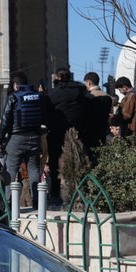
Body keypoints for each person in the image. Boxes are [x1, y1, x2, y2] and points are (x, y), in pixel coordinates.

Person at [0, 71, 46, 200]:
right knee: (34, 169)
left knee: (11, 170)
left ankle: (9, 204)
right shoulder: (38, 96)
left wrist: (0, 140)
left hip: (17, 137)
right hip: (35, 137)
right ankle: (37, 202)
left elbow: (5, 120)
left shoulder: (14, 97)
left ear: (15, 85)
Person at [46, 68, 88, 204]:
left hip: (57, 130)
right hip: (79, 130)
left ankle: (55, 193)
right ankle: (82, 192)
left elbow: (46, 110)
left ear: (58, 77)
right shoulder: (80, 91)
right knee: (80, 161)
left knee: (54, 162)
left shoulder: (54, 93)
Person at [81, 71, 113, 157]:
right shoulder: (108, 97)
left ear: (89, 82)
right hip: (103, 130)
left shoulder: (87, 97)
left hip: (89, 132)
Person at [113, 76, 136, 141]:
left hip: (131, 133)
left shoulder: (131, 97)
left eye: (120, 90)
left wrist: (113, 118)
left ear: (125, 87)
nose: (120, 92)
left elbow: (126, 115)